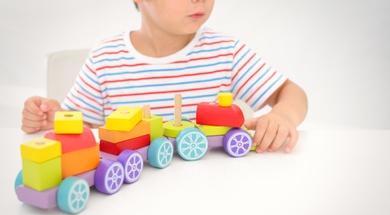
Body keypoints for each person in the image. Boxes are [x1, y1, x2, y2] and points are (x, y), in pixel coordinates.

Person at [21, 0, 308, 154]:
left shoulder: (225, 52)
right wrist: (50, 116)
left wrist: (283, 115)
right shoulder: (105, 60)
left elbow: (292, 92)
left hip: (208, 194)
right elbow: (78, 127)